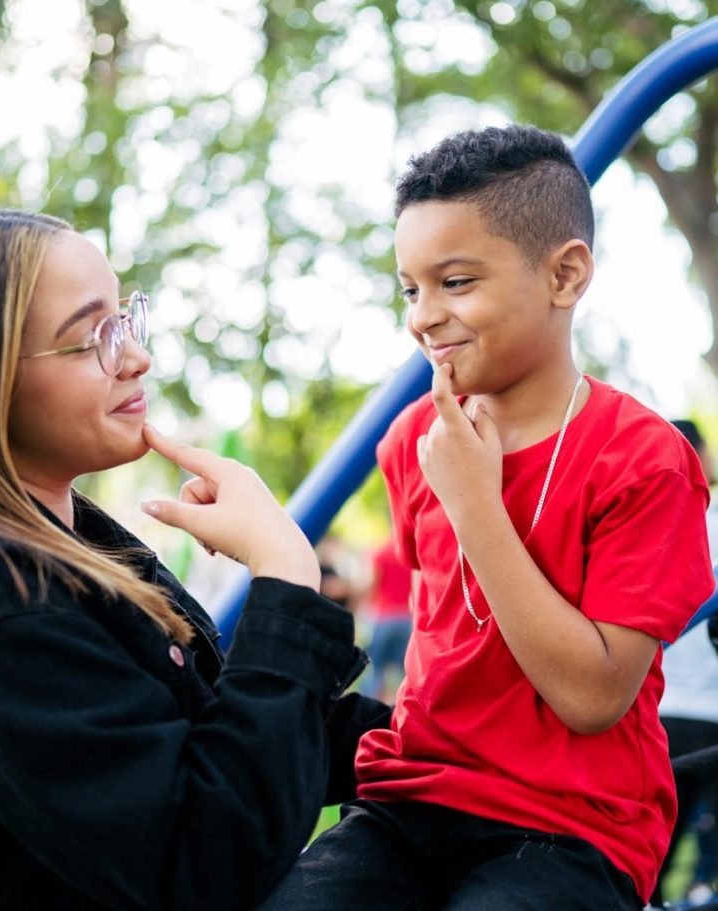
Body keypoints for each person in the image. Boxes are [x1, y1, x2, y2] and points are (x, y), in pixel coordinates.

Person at [0, 209, 391, 910]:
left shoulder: (72, 548)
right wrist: (285, 578)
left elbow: (212, 729)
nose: (137, 357)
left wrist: (440, 735)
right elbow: (208, 858)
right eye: (93, 339)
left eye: (125, 318)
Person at [261, 125, 715, 911]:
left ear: (564, 275)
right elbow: (445, 635)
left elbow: (591, 696)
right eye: (410, 289)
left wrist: (474, 501)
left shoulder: (643, 458)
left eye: (455, 282)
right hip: (412, 799)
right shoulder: (412, 441)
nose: (423, 316)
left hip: (570, 824)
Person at [653, 419, 718, 906]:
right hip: (709, 710)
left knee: (656, 842)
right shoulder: (710, 521)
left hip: (658, 707)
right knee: (707, 848)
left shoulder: (648, 522)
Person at [359, 538, 412, 701]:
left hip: (384, 617)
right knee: (407, 670)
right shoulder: (409, 552)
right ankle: (402, 705)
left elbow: (372, 583)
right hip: (407, 617)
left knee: (376, 667)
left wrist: (364, 608)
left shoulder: (381, 553)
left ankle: (370, 703)